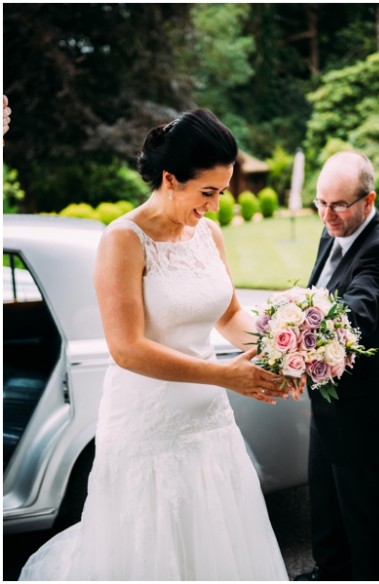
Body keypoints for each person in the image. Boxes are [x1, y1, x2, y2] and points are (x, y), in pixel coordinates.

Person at [19, 108, 300, 580]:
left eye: (222, 193)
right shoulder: (124, 240)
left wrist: (288, 348)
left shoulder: (209, 234)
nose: (214, 206)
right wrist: (226, 375)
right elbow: (126, 348)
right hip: (148, 427)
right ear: (170, 178)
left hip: (209, 423)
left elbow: (229, 315)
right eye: (206, 192)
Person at [293, 151, 379, 581]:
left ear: (367, 202)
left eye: (338, 205)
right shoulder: (332, 231)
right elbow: (319, 289)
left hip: (360, 407)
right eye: (320, 203)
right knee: (325, 499)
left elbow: (358, 311)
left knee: (362, 514)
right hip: (326, 395)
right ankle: (328, 571)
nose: (327, 215)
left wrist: (292, 326)